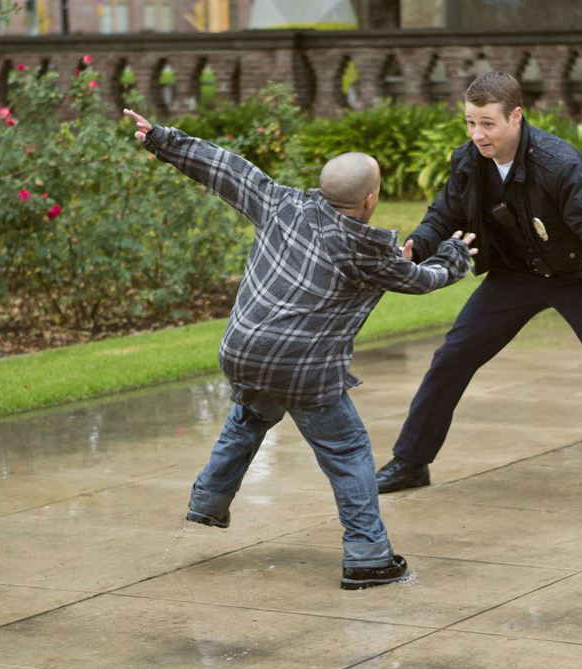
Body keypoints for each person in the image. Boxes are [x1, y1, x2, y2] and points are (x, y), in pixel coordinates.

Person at [124, 108, 476, 588]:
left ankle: (207, 501)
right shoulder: (365, 250)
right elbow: (420, 279)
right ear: (371, 198)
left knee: (252, 415)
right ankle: (368, 558)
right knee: (348, 450)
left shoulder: (280, 202)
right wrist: (454, 257)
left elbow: (223, 166)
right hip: (302, 368)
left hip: (243, 351)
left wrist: (161, 138)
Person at [373, 72, 582, 506]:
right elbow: (443, 213)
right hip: (515, 277)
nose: (477, 134)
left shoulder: (557, 162)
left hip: (578, 275)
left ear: (516, 116)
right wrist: (418, 244)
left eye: (487, 123)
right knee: (452, 357)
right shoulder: (468, 160)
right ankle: (412, 461)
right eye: (470, 122)